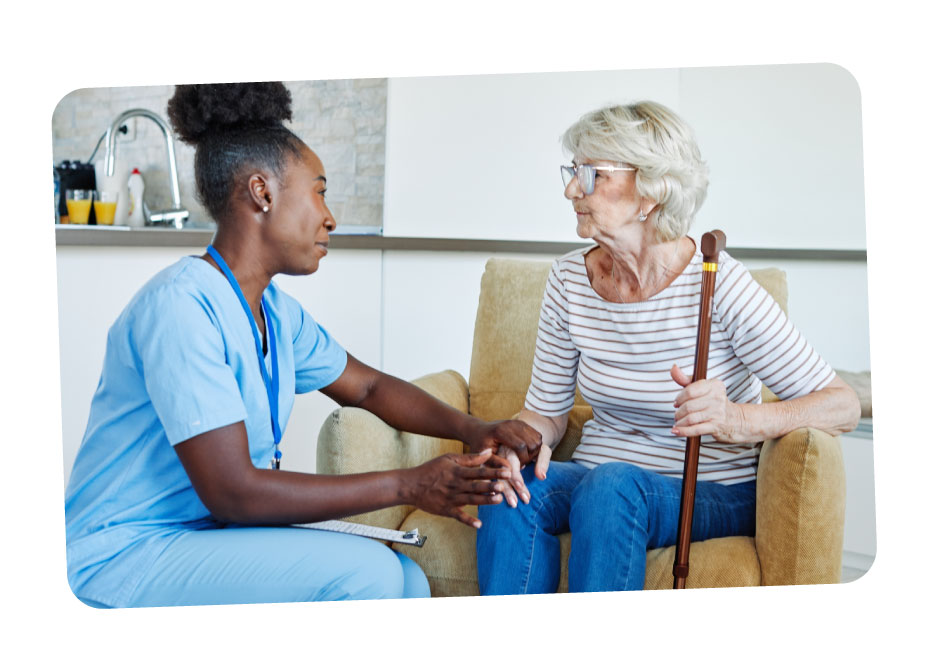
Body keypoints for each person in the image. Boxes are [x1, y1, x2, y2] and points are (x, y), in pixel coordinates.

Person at [64, 82, 541, 608]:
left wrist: (475, 429)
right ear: (261, 192)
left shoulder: (273, 310)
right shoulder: (181, 308)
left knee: (408, 579)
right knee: (370, 579)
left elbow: (368, 387)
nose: (329, 216)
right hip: (127, 553)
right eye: (318, 191)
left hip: (203, 535)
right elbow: (234, 491)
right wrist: (410, 484)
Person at [476, 100, 861, 594]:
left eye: (591, 173)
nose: (572, 189)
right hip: (601, 478)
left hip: (711, 489)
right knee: (508, 489)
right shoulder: (569, 278)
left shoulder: (717, 283)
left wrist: (737, 420)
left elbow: (842, 404)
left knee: (611, 488)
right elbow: (546, 414)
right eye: (573, 171)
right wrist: (516, 446)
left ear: (649, 193)